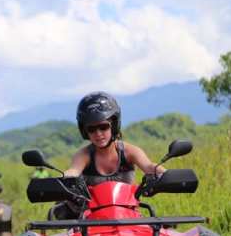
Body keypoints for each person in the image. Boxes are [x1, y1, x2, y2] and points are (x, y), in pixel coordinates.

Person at [50, 91, 165, 219]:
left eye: (103, 127)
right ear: (85, 131)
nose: (98, 133)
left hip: (128, 216)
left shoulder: (129, 151)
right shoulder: (84, 155)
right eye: (91, 129)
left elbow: (149, 166)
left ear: (114, 125)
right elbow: (73, 170)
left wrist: (165, 173)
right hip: (92, 219)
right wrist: (62, 180)